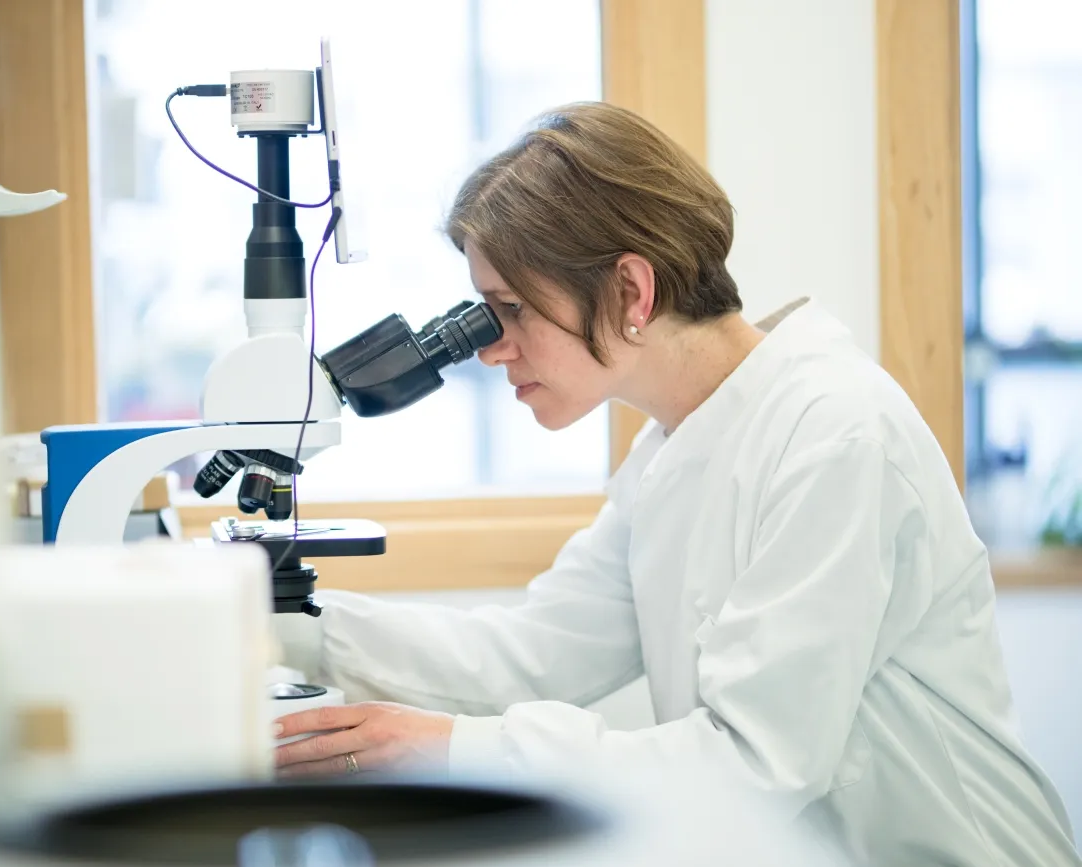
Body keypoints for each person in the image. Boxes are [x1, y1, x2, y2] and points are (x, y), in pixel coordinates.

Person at [271, 102, 1080, 865]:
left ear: (632, 289)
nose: (489, 349)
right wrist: (276, 621)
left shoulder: (836, 433)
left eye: (510, 309)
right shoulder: (676, 447)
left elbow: (751, 763)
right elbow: (530, 656)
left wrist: (448, 747)